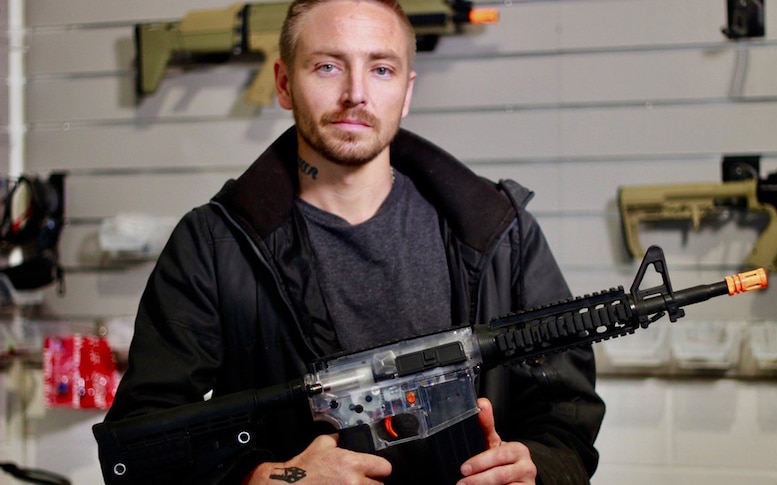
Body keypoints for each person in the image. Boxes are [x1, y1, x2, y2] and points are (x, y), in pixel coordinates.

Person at [101, 0, 605, 483]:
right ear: (283, 83)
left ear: (406, 93)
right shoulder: (215, 245)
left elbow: (566, 417)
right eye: (327, 67)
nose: (356, 93)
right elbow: (143, 438)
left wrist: (536, 468)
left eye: (381, 70)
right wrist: (264, 480)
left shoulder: (498, 232)